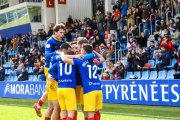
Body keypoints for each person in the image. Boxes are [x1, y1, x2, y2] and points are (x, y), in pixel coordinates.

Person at [61, 44, 105, 120]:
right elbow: (102, 59)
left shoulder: (80, 61)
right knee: (95, 112)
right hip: (98, 88)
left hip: (89, 89)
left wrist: (62, 53)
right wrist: (93, 52)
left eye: (81, 49)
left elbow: (64, 59)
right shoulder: (95, 60)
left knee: (90, 115)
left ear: (83, 51)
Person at [33, 23, 65, 119]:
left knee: (51, 103)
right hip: (50, 69)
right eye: (60, 32)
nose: (62, 34)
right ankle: (38, 105)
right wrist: (56, 52)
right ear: (55, 32)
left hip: (58, 68)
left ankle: (38, 105)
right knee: (55, 106)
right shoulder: (50, 42)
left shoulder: (61, 40)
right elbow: (46, 55)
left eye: (63, 32)